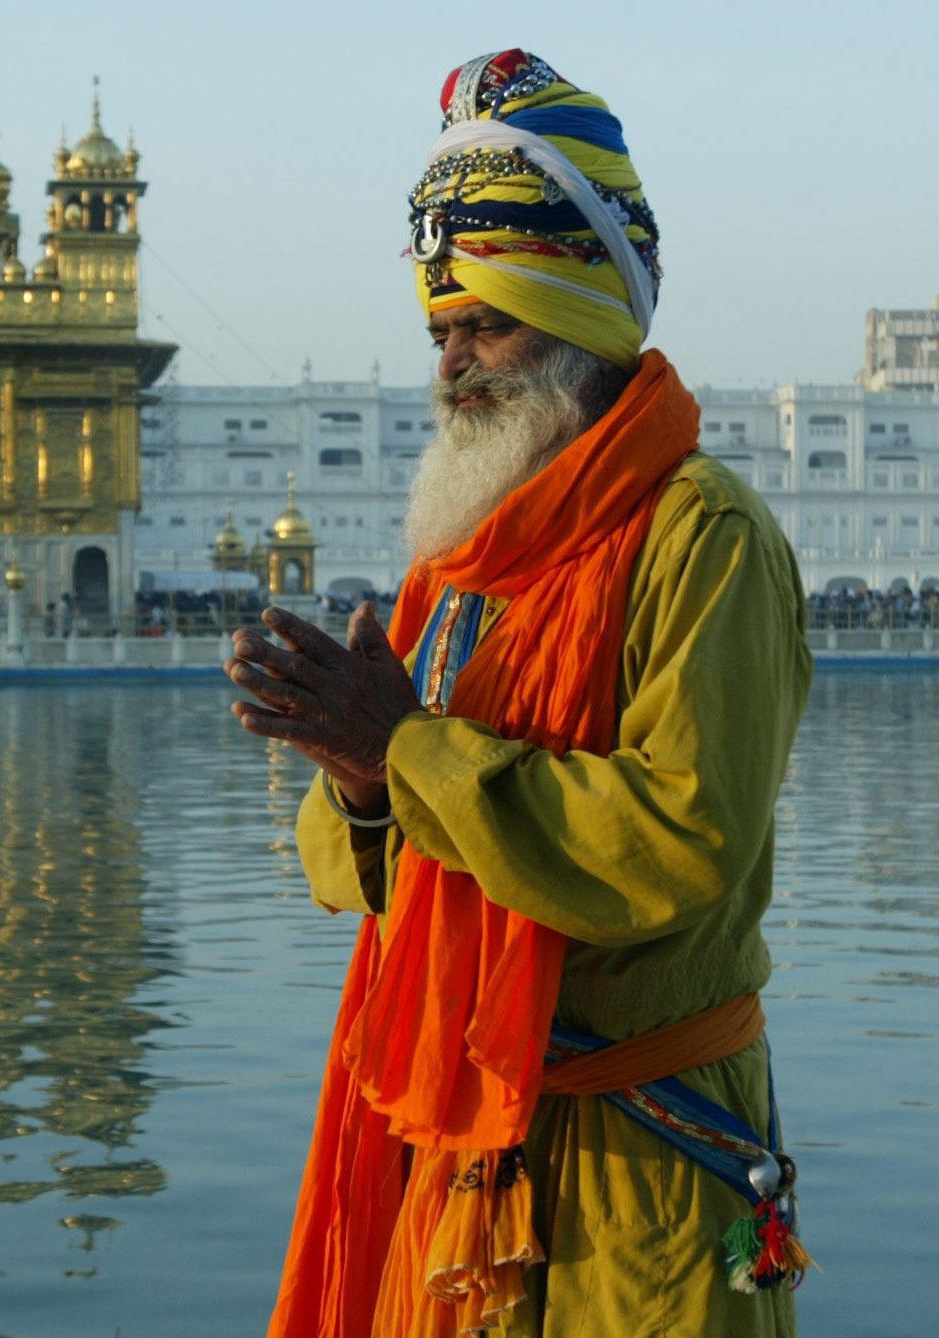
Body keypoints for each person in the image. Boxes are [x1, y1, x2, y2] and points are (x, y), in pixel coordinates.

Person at [225, 51, 811, 1338]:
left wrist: (412, 755)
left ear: (578, 323)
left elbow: (677, 839)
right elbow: (360, 875)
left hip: (645, 1163)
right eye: (440, 332)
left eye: (484, 325)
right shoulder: (468, 552)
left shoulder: (696, 535)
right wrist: (362, 781)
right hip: (462, 1143)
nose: (453, 365)